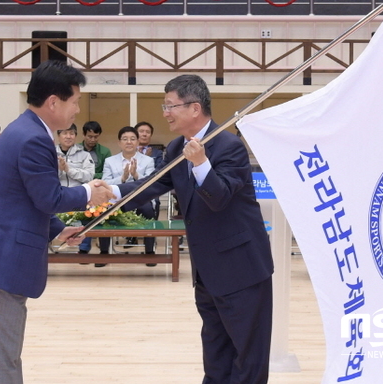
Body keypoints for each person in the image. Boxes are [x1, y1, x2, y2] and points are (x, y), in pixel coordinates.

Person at [0, 60, 114, 384]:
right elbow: (48, 197)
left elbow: (19, 197)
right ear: (54, 102)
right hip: (0, 261)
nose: (77, 110)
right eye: (75, 102)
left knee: (4, 357)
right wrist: (88, 191)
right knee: (4, 362)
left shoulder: (25, 130)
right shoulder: (33, 138)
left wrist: (58, 229)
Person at [112, 75, 274, 383]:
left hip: (241, 270)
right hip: (207, 273)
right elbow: (152, 183)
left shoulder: (228, 146)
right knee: (216, 356)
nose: (165, 112)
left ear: (194, 107)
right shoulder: (176, 147)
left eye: (170, 105)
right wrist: (114, 193)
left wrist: (201, 164)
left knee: (248, 358)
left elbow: (220, 197)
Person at [98, 126, 156, 267]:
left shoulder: (148, 161)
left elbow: (152, 183)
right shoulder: (110, 161)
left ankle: (149, 251)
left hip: (141, 198)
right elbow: (105, 183)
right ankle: (104, 253)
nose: (129, 142)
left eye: (132, 139)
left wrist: (136, 175)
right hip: (117, 198)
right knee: (103, 209)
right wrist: (122, 178)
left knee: (148, 209)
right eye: (125, 139)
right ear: (119, 143)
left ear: (137, 142)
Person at [55, 123, 95, 254]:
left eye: (71, 133)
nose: (68, 136)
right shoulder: (49, 153)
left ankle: (83, 249)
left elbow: (89, 176)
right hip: (57, 195)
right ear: (58, 135)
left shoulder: (84, 155)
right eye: (65, 133)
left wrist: (68, 170)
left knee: (89, 212)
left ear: (76, 136)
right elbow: (44, 177)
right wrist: (60, 171)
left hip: (77, 195)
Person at [135, 121, 164, 219]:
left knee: (154, 201)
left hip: (150, 187)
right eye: (141, 131)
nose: (144, 134)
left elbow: (158, 171)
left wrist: (147, 159)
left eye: (147, 132)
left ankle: (152, 231)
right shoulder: (128, 151)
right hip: (132, 186)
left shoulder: (157, 153)